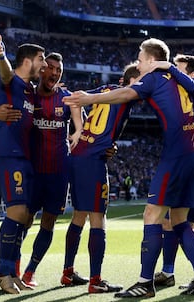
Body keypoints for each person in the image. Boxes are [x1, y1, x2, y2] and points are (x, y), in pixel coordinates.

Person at [63, 38, 194, 298]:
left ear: (152, 61)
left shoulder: (154, 77)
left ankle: (145, 282)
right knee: (180, 221)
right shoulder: (181, 80)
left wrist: (90, 98)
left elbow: (125, 93)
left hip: (176, 155)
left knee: (151, 215)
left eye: (141, 59)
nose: (139, 63)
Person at [0, 52, 84, 286]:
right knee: (23, 220)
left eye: (59, 70)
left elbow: (82, 125)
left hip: (58, 172)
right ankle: (12, 270)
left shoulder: (66, 98)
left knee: (48, 222)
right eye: (50, 67)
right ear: (41, 70)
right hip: (32, 170)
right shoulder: (27, 93)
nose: (55, 73)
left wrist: (81, 132)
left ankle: (30, 271)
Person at [60, 63, 141, 294]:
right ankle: (95, 280)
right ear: (131, 81)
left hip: (79, 156)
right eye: (142, 79)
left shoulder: (106, 89)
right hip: (92, 159)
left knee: (79, 215)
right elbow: (76, 100)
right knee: (98, 217)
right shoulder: (126, 95)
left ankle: (68, 272)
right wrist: (82, 131)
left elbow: (77, 98)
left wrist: (80, 130)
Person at [151, 54, 194, 290]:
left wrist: (169, 68)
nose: (172, 73)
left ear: (191, 74)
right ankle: (168, 272)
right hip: (183, 161)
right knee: (169, 221)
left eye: (177, 69)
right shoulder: (183, 94)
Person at [0, 35, 48, 294]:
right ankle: (4, 272)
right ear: (26, 61)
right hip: (7, 154)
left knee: (24, 216)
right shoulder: (12, 80)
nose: (44, 64)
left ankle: (10, 270)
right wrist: (1, 56)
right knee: (16, 212)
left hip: (23, 157)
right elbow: (4, 75)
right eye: (41, 59)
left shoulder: (30, 92)